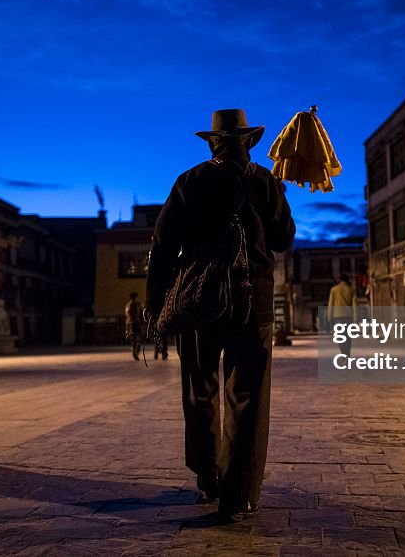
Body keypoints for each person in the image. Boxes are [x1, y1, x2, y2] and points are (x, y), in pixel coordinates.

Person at [146, 109, 295, 522]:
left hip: (199, 300)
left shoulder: (190, 181)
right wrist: (277, 198)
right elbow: (282, 240)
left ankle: (208, 479)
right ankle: (239, 493)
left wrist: (155, 300)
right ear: (248, 142)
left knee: (200, 390)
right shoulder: (264, 181)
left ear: (213, 143)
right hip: (255, 302)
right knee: (248, 396)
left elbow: (162, 244)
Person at [328, 273, 357, 356]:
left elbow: (331, 304)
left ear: (339, 280)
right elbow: (355, 305)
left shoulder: (334, 290)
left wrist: (330, 317)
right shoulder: (351, 290)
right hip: (348, 317)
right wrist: (355, 318)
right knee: (348, 338)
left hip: (337, 317)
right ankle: (347, 354)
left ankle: (344, 355)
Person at [125, 292, 145, 360]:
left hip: (131, 322)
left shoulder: (128, 305)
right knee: (138, 338)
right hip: (135, 322)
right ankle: (135, 351)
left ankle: (135, 351)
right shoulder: (137, 304)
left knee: (134, 338)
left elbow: (127, 315)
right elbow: (141, 313)